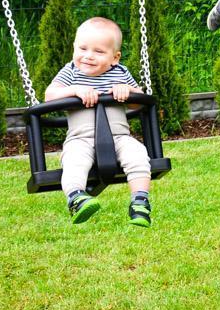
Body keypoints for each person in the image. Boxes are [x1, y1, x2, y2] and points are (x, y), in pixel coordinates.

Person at [44, 16, 153, 227]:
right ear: (74, 48)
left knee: (138, 154)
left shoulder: (120, 73)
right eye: (82, 49)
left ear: (115, 57)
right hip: (80, 139)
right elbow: (50, 95)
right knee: (74, 162)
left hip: (120, 137)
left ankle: (140, 200)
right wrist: (75, 91)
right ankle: (77, 198)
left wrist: (128, 91)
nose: (88, 56)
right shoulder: (71, 72)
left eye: (99, 51)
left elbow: (140, 101)